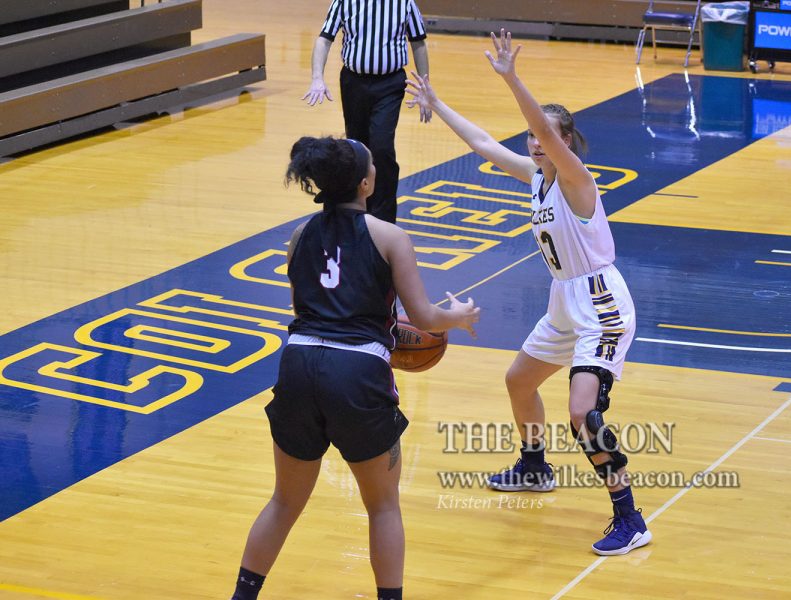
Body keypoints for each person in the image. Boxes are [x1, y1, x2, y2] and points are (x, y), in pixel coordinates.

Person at [405, 30, 652, 556]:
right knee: (519, 380)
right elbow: (483, 144)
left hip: (602, 305)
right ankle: (535, 467)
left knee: (583, 414)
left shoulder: (576, 180)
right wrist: (437, 102)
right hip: (563, 300)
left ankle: (629, 517)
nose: (537, 142)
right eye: (534, 138)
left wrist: (512, 78)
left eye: (548, 137)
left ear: (564, 141)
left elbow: (541, 124)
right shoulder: (537, 176)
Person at [229, 136, 480, 600]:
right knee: (383, 506)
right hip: (357, 370)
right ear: (366, 183)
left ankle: (243, 596)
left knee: (284, 501)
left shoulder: (299, 234)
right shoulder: (390, 236)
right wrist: (458, 317)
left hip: (298, 361)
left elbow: (304, 306)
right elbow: (424, 318)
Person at [303, 0, 432, 224]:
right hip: (354, 83)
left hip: (390, 84)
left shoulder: (404, 3)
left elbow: (418, 43)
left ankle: (383, 220)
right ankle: (355, 212)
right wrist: (317, 78)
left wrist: (425, 87)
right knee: (356, 150)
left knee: (382, 149)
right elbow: (324, 39)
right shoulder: (344, 2)